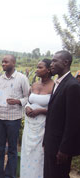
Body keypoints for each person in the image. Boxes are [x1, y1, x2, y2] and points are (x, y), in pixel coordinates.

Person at [43, 50, 80, 178]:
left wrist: (64, 149)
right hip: (51, 143)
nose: (51, 64)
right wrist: (46, 141)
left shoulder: (73, 86)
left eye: (54, 61)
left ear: (65, 62)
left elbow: (73, 122)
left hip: (60, 148)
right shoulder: (58, 83)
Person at [0, 55, 30, 178]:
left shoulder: (22, 78)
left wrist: (18, 101)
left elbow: (27, 97)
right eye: (2, 62)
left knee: (13, 149)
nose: (3, 64)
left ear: (13, 63)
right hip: (0, 117)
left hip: (14, 118)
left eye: (6, 62)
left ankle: (10, 175)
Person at [20, 59, 54, 178]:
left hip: (42, 127)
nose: (37, 70)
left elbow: (57, 110)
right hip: (29, 126)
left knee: (39, 155)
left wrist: (41, 110)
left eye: (40, 68)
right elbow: (29, 101)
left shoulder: (54, 86)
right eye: (37, 67)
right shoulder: (34, 85)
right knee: (27, 153)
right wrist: (28, 107)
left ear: (49, 70)